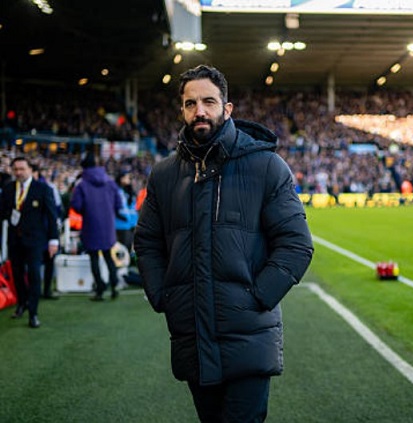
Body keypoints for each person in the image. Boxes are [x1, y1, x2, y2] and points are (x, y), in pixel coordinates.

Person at [134, 65, 314, 423]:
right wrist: (163, 296)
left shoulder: (266, 166)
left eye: (209, 102)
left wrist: (257, 298)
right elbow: (147, 241)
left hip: (248, 337)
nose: (199, 111)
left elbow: (296, 244)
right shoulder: (165, 174)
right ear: (182, 110)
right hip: (192, 337)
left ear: (227, 108)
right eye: (191, 103)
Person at [0, 157, 59, 328]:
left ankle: (33, 313)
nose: (18, 172)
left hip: (35, 241)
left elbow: (51, 216)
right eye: (15, 169)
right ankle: (22, 303)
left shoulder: (43, 189)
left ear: (30, 170)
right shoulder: (8, 188)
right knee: (17, 274)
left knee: (34, 275)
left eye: (22, 169)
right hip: (14, 240)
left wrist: (53, 240)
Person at [69, 152, 122, 301]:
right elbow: (118, 203)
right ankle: (114, 284)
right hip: (107, 225)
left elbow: (76, 205)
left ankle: (100, 288)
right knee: (108, 256)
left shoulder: (82, 184)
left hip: (90, 224)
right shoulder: (110, 182)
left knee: (94, 258)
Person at [32, 163, 63, 299]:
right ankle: (36, 290)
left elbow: (57, 210)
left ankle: (46, 289)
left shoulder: (49, 188)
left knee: (49, 260)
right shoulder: (22, 189)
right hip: (34, 232)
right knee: (34, 263)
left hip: (47, 230)